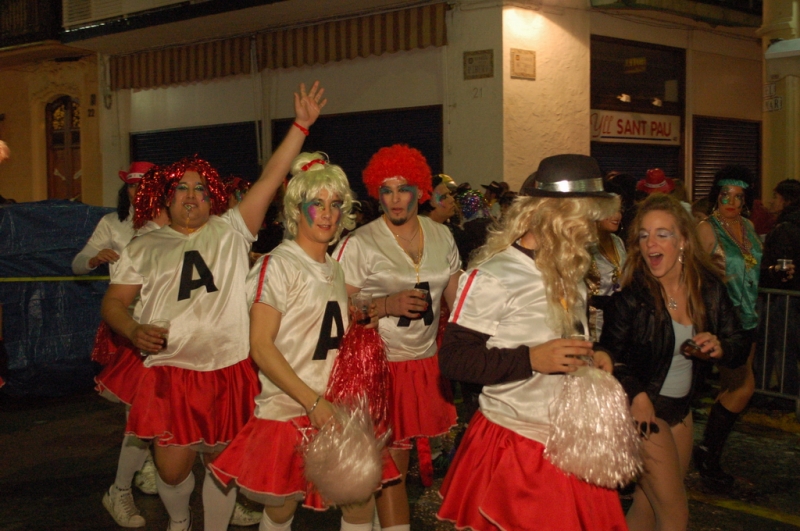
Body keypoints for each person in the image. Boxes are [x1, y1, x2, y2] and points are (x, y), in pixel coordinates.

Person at [100, 81, 326, 531]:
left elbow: (271, 177)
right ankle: (180, 522)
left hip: (229, 370)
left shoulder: (232, 229)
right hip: (170, 372)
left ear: (213, 197)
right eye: (182, 189)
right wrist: (131, 328)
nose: (191, 195)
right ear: (167, 197)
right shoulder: (144, 245)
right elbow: (114, 302)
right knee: (170, 470)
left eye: (201, 189)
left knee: (223, 471)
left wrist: (300, 126)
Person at [437, 154, 625, 531]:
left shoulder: (569, 268)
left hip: (571, 439)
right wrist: (531, 359)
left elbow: (568, 339)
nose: (590, 230)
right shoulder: (494, 275)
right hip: (517, 443)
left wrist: (597, 356)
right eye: (582, 218)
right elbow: (454, 360)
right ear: (549, 213)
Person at [210, 152, 387, 531]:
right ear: (296, 209)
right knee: (281, 510)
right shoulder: (278, 264)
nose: (327, 213)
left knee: (359, 503)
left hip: (336, 406)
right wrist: (312, 402)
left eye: (335, 204)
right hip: (290, 409)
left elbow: (321, 328)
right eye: (316, 204)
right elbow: (261, 345)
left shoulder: (335, 267)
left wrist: (358, 324)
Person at [333, 144, 461, 531]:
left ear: (420, 190)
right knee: (388, 470)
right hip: (376, 367)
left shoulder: (441, 236)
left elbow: (460, 305)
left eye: (403, 188)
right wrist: (386, 304)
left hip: (422, 364)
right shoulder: (360, 242)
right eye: (386, 190)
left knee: (393, 471)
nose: (394, 199)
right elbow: (335, 307)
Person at [695, 165, 761, 488]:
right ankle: (708, 455)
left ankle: (708, 453)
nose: (732, 202)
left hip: (750, 316)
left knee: (730, 388)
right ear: (716, 196)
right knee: (742, 387)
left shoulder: (747, 226)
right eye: (726, 195)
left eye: (739, 196)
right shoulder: (707, 228)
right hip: (725, 318)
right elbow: (700, 270)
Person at [72, 162, 154, 276]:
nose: (138, 191)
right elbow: (77, 265)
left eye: (143, 185)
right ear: (126, 190)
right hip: (123, 291)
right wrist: (94, 260)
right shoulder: (111, 222)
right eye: (132, 185)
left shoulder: (172, 221)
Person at [759, 179, 800, 395]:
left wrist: (769, 273)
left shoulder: (785, 228)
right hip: (791, 295)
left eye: (775, 197)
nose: (771, 202)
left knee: (781, 347)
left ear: (786, 200)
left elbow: (783, 265)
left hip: (784, 297)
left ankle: (784, 393)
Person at [586, 205, 626, 340]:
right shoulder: (585, 245)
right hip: (593, 322)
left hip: (619, 319)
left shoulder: (618, 241)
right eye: (611, 209)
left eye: (619, 210)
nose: (617, 216)